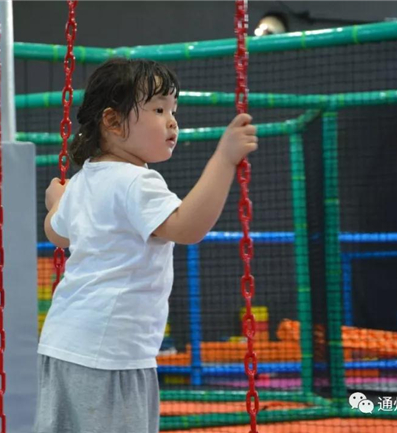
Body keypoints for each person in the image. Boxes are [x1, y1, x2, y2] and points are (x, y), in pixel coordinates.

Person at [33, 58, 257, 433]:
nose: (172, 122)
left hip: (62, 343)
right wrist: (224, 159)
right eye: (158, 110)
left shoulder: (86, 179)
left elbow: (57, 233)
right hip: (112, 354)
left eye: (173, 111)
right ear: (113, 121)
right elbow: (187, 227)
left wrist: (55, 202)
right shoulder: (136, 181)